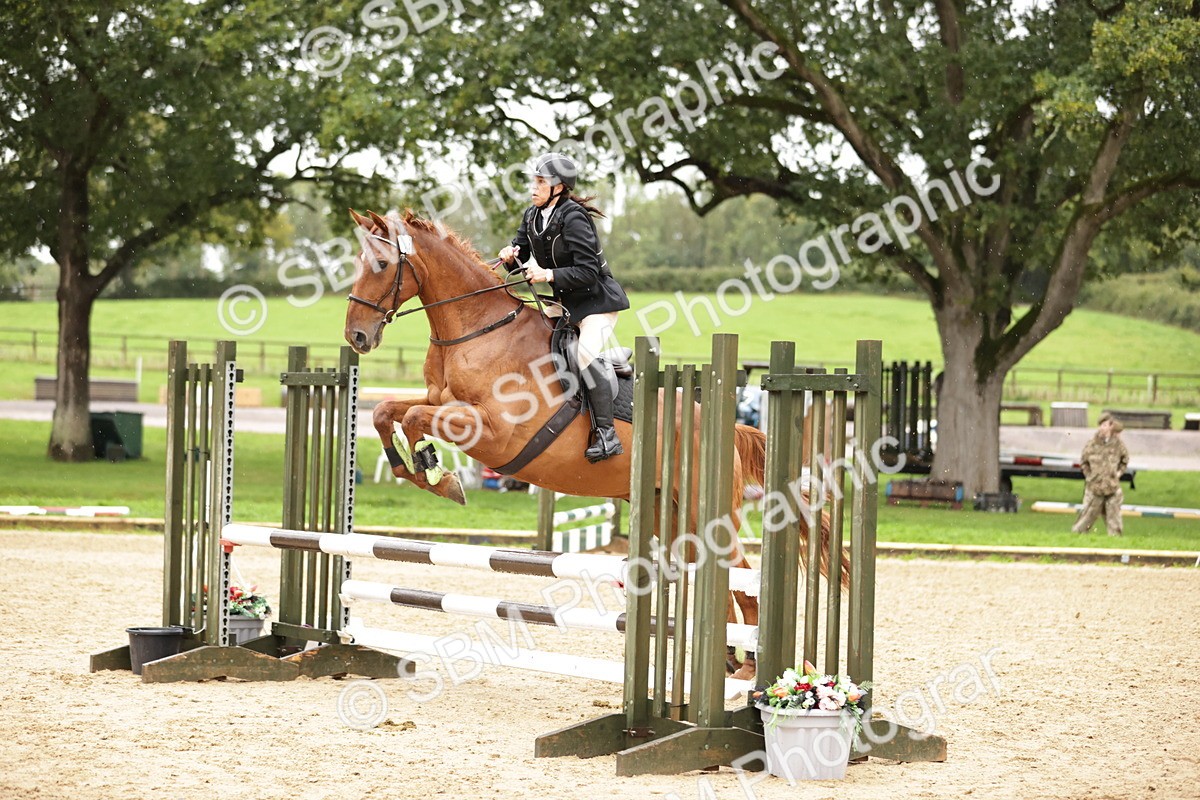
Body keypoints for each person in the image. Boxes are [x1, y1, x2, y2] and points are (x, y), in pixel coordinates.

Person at [498, 153, 631, 463]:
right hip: (564, 304)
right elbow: (521, 252)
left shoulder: (574, 218)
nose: (533, 188)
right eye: (534, 181)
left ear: (558, 187)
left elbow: (588, 272)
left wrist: (548, 275)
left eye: (540, 182)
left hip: (596, 303)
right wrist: (510, 256)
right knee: (533, 341)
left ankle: (607, 434)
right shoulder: (533, 215)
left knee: (583, 355)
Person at [1072, 412, 1130, 536]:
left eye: (1105, 425)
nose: (1102, 428)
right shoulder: (1092, 443)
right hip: (1095, 487)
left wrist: (1118, 473)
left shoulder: (1118, 444)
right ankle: (1076, 538)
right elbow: (1084, 462)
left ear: (1110, 426)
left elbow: (1124, 460)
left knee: (1114, 518)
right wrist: (1089, 476)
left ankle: (1115, 540)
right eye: (1101, 425)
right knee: (1087, 516)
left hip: (1111, 486)